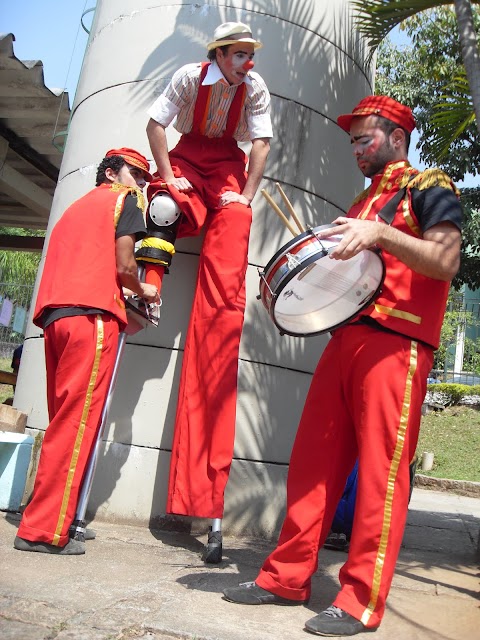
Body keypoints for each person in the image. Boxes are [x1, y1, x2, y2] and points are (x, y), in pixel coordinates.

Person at [223, 96, 462, 636]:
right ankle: (285, 576)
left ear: (398, 138)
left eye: (365, 139)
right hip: (345, 339)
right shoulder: (359, 203)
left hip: (397, 341)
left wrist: (380, 234)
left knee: (379, 474)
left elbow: (446, 261)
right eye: (352, 142)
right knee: (313, 462)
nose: (356, 149)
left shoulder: (430, 187)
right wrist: (289, 289)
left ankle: (359, 600)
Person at [146, 22, 272, 556]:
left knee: (234, 233)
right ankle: (148, 288)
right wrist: (167, 172)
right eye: (239, 53)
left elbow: (260, 142)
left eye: (250, 54)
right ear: (219, 54)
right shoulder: (185, 78)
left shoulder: (256, 88)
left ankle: (206, 500)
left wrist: (245, 194)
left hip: (225, 170)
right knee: (164, 207)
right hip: (187, 163)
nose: (247, 61)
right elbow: (156, 123)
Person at [14, 148, 159, 555]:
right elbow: (124, 262)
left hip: (57, 317)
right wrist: (140, 288)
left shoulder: (75, 208)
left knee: (62, 420)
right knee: (77, 425)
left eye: (146, 179)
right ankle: (43, 531)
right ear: (112, 172)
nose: (142, 184)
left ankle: (58, 514)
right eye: (137, 174)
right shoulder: (123, 199)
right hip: (91, 318)